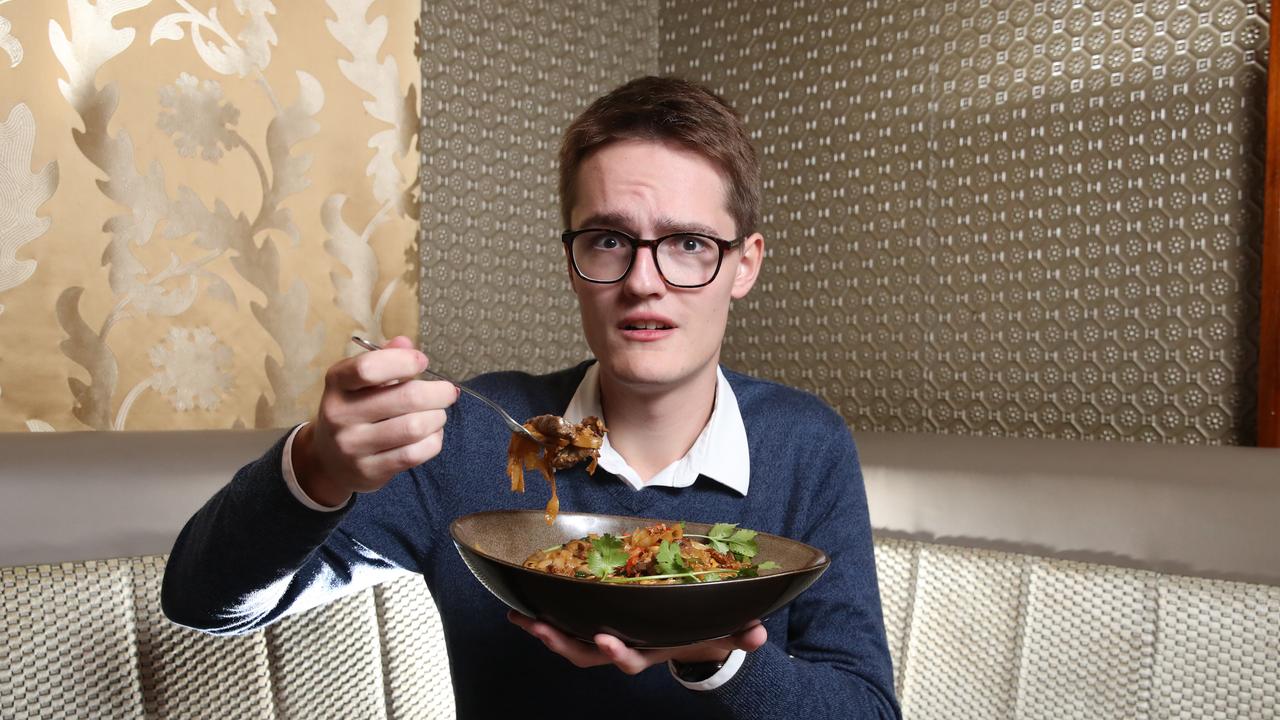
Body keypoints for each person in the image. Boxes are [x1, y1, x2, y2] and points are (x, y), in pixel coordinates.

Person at [162, 75, 901, 719]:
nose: (644, 280)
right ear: (574, 260)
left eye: (686, 244)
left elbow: (865, 709)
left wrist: (715, 656)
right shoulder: (472, 439)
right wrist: (316, 468)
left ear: (744, 264)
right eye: (610, 239)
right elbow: (204, 602)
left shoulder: (805, 443)